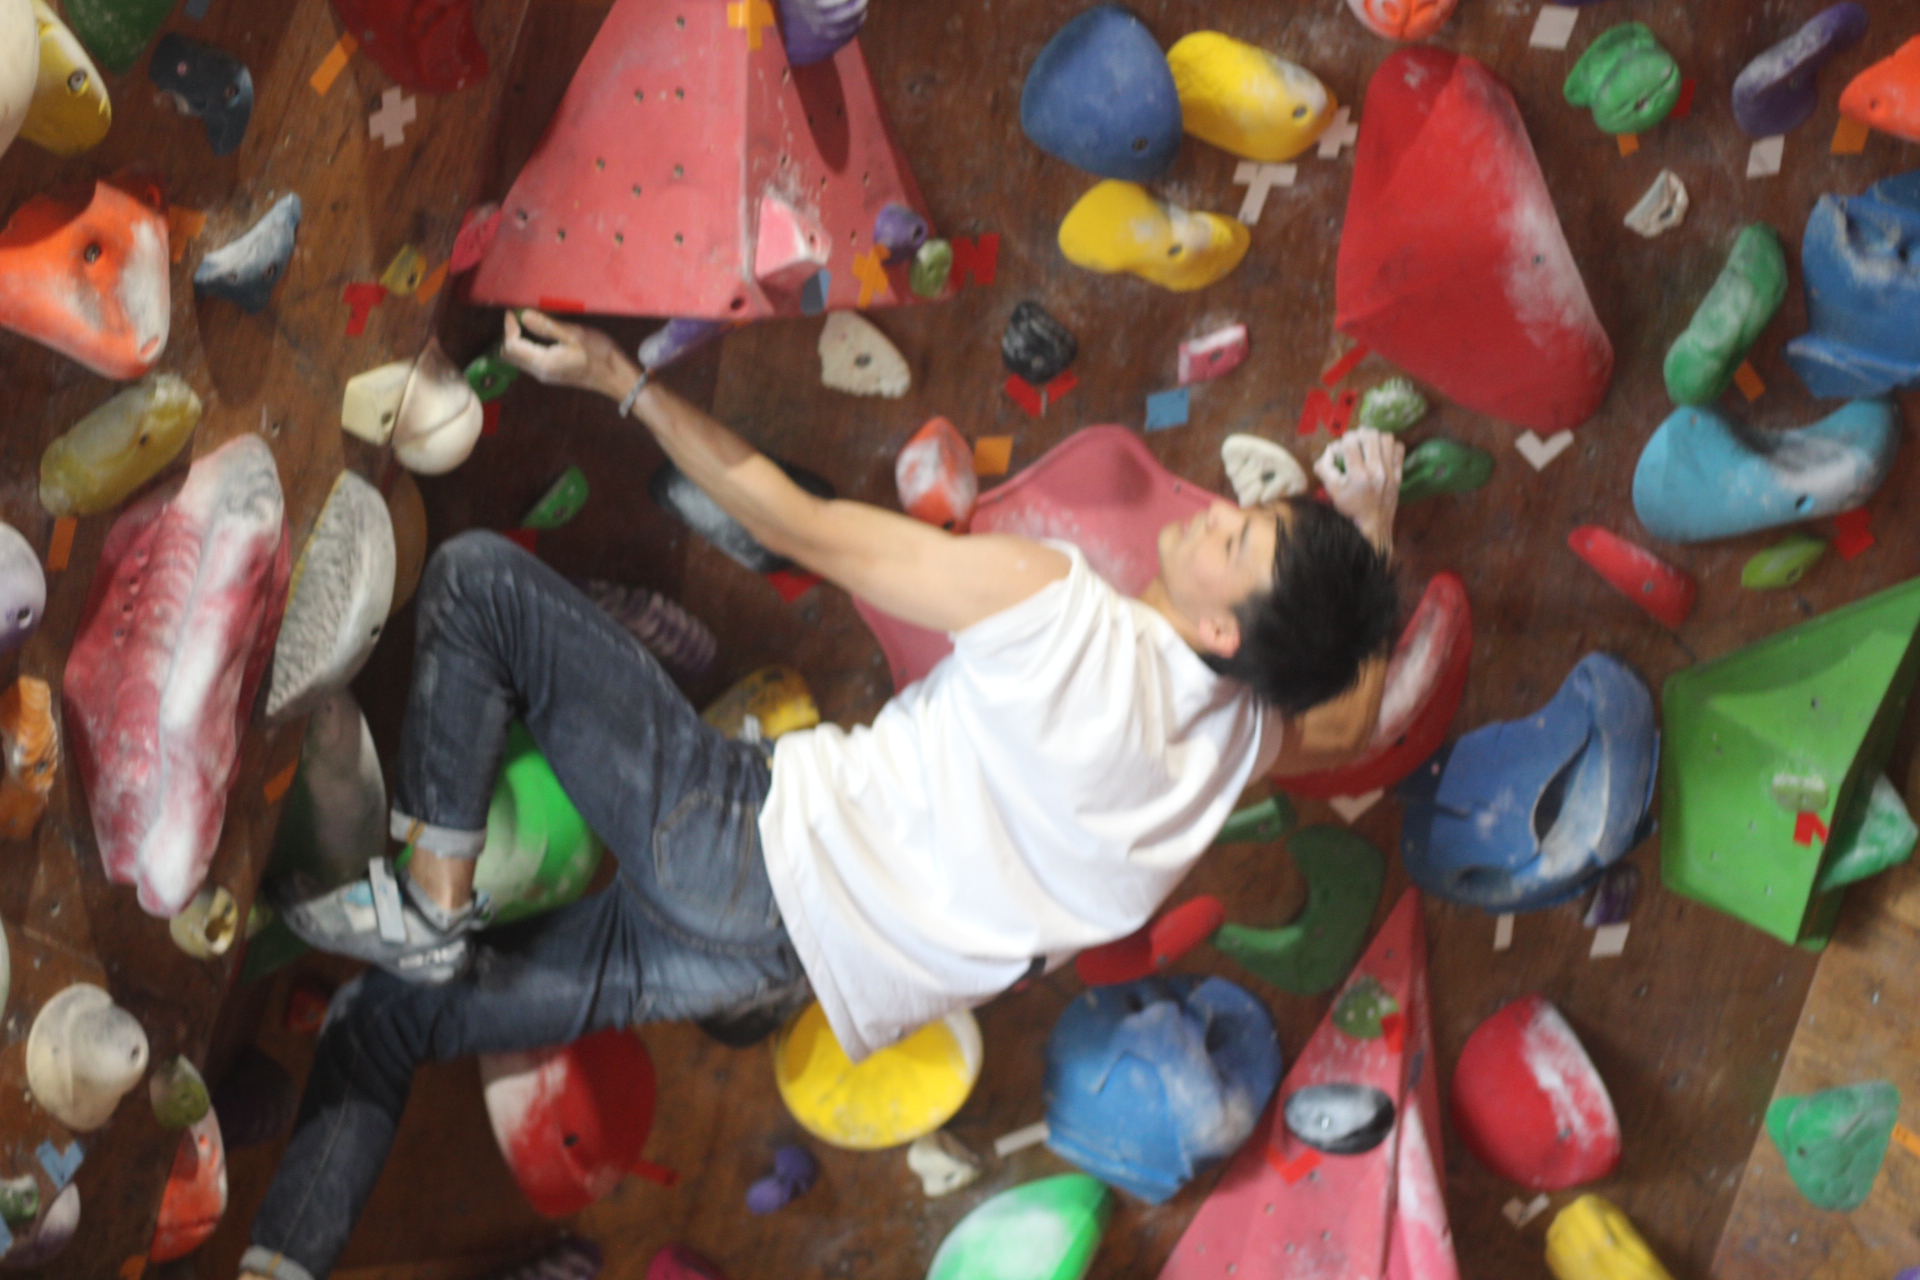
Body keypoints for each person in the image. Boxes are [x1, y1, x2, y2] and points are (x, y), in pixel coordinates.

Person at [238, 310, 1402, 1280]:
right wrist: (1368, 542)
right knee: (380, 1019)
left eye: (1238, 537)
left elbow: (799, 524)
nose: (1215, 509)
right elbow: (1354, 718)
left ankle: (432, 901)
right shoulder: (1243, 738)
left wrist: (622, 381)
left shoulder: (1063, 611)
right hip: (778, 968)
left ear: (1223, 629)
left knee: (477, 584)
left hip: (748, 853)